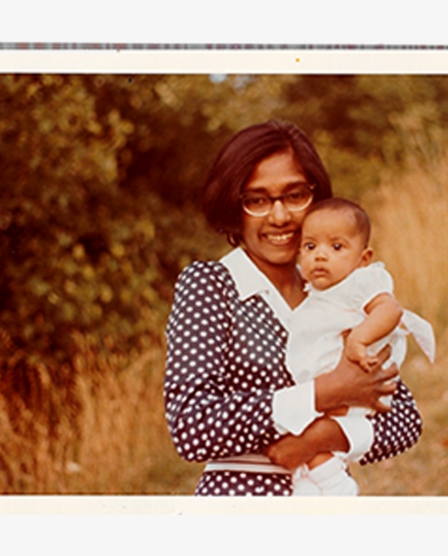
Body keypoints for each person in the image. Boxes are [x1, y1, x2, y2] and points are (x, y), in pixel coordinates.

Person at [163, 120, 423, 496]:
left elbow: (404, 419)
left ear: (316, 198)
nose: (280, 217)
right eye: (257, 200)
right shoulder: (212, 284)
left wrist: (317, 439)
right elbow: (191, 427)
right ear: (233, 206)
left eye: (295, 195)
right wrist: (324, 392)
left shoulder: (336, 288)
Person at [286, 198, 436, 496]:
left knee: (311, 433)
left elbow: (390, 310)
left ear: (363, 258)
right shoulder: (316, 293)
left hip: (356, 379)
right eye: (310, 247)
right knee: (305, 440)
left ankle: (335, 486)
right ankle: (316, 483)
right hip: (328, 387)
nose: (320, 256)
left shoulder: (361, 281)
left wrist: (358, 339)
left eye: (336, 247)